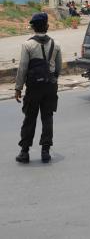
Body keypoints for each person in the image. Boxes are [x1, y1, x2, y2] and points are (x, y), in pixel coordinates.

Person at [14, 13, 62, 164]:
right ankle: (45, 151)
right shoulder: (56, 44)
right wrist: (52, 80)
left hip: (34, 88)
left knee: (29, 118)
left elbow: (22, 69)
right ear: (47, 26)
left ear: (33, 27)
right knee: (47, 118)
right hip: (50, 87)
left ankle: (24, 152)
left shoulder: (27, 45)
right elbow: (58, 68)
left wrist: (18, 88)